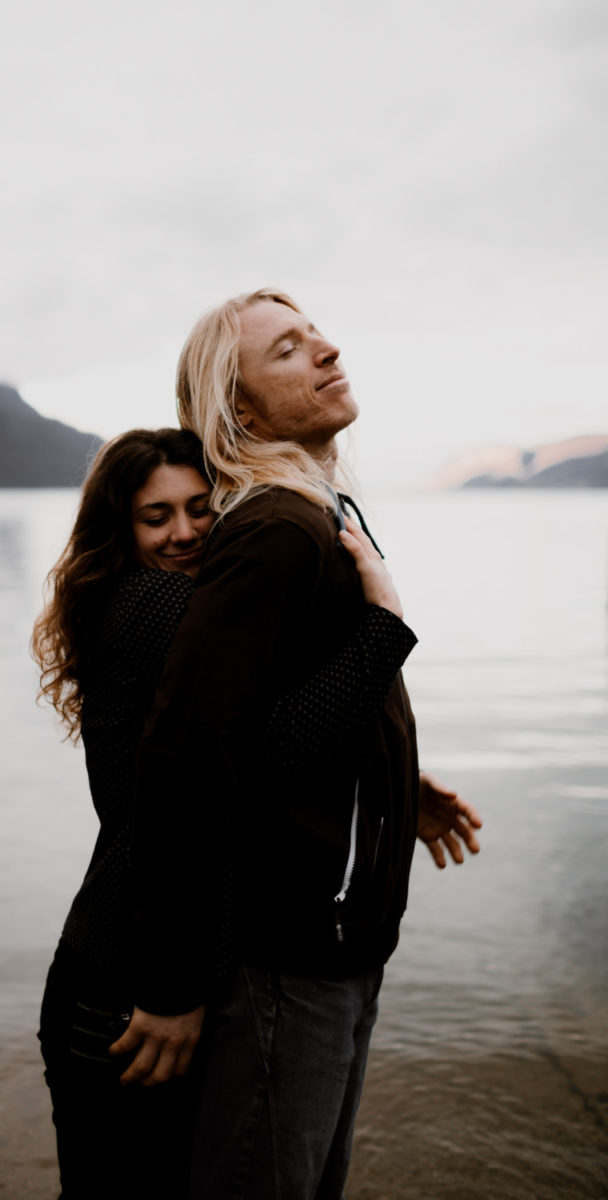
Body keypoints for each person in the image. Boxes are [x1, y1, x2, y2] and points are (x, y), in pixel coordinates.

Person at [111, 290, 482, 1199]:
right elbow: (190, 758)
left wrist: (395, 777)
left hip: (340, 943)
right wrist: (171, 984)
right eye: (288, 350)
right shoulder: (276, 529)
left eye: (316, 335)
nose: (325, 350)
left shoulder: (319, 510)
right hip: (290, 952)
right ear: (240, 409)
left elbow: (282, 713)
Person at [32, 425, 434, 1199]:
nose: (184, 532)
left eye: (201, 508)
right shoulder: (155, 604)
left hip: (131, 958)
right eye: (157, 517)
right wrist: (384, 618)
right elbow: (284, 742)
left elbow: (253, 738)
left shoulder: (169, 607)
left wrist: (407, 782)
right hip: (125, 982)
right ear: (120, 530)